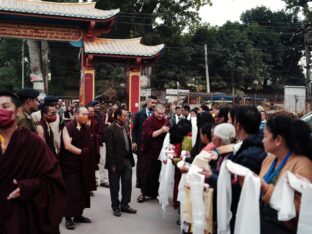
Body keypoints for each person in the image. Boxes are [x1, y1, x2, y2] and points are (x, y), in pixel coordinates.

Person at [0, 91, 66, 234]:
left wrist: (28, 186)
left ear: (17, 112)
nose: (0, 111)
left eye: (5, 106)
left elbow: (54, 181)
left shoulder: (33, 143)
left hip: (25, 215)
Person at [204, 106, 267, 232]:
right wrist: (213, 173)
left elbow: (239, 188)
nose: (228, 124)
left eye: (229, 120)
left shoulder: (249, 155)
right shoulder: (244, 146)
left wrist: (211, 177)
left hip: (241, 213)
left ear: (237, 125)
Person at [259, 115, 312, 233]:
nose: (262, 140)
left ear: (278, 140)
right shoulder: (269, 160)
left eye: (265, 136)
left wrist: (267, 189)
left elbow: (303, 212)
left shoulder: (302, 164)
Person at [59, 107, 94, 230]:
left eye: (87, 114)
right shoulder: (68, 127)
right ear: (76, 115)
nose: (86, 116)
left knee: (83, 189)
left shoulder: (86, 127)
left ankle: (79, 215)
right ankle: (68, 217)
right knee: (71, 191)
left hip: (83, 164)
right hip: (70, 164)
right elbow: (67, 146)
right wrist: (83, 153)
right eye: (83, 114)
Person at [105, 109, 136, 217]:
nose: (126, 118)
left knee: (127, 184)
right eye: (124, 116)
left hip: (127, 160)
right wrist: (112, 164)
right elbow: (109, 149)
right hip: (116, 162)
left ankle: (125, 204)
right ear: (118, 116)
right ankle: (115, 206)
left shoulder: (124, 126)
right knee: (114, 186)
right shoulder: (110, 129)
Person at [138, 104, 170, 202]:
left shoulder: (166, 121)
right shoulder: (149, 121)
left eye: (163, 113)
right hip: (149, 151)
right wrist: (162, 130)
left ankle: (154, 193)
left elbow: (170, 132)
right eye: (159, 113)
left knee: (157, 173)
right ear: (155, 112)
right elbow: (149, 135)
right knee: (146, 173)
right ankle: (142, 193)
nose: (161, 115)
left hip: (161, 151)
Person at [132, 96, 157, 188]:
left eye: (155, 103)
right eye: (152, 103)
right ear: (147, 102)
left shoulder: (156, 114)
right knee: (140, 163)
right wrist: (134, 141)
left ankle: (149, 183)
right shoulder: (139, 114)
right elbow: (135, 129)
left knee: (150, 164)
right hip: (141, 143)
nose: (154, 105)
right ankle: (139, 181)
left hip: (152, 144)